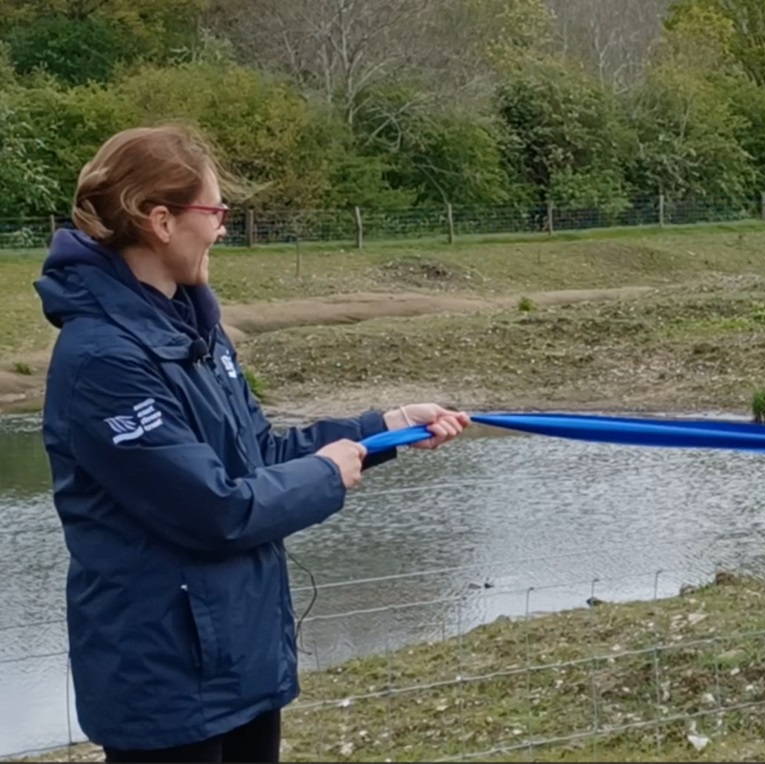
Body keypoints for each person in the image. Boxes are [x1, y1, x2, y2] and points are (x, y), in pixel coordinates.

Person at [34, 124, 471, 763]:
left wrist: (384, 428)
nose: (222, 228)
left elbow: (259, 458)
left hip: (242, 663)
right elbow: (216, 509)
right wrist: (326, 475)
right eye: (214, 212)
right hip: (164, 687)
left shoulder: (199, 333)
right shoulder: (103, 361)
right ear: (160, 221)